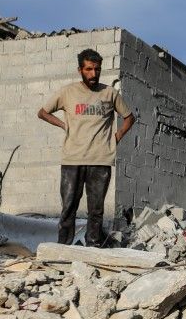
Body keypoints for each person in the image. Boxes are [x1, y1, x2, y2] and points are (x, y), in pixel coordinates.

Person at [37, 48, 135, 246]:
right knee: (68, 208)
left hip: (100, 160)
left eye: (97, 69)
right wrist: (64, 125)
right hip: (72, 159)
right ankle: (63, 247)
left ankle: (93, 246)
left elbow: (129, 118)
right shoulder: (67, 92)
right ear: (80, 70)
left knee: (96, 210)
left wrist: (116, 138)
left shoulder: (109, 93)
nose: (93, 74)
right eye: (89, 69)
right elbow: (43, 112)